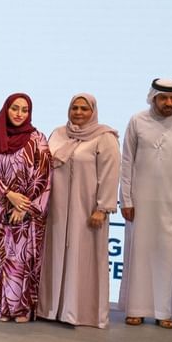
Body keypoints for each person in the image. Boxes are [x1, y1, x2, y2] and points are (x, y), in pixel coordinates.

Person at [117, 78, 172, 329]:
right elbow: (127, 161)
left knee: (167, 254)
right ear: (154, 97)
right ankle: (136, 309)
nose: (169, 103)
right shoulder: (137, 120)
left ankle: (164, 311)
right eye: (163, 98)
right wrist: (126, 199)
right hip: (140, 200)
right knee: (139, 252)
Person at [38, 94, 119, 328]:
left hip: (87, 211)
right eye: (75, 107)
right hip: (56, 209)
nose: (79, 112)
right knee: (54, 255)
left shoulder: (105, 137)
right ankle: (51, 309)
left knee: (83, 258)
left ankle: (80, 312)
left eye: (84, 108)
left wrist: (102, 208)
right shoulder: (58, 134)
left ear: (93, 111)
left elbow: (110, 174)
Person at [0, 93, 52, 323]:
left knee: (25, 261)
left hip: (28, 213)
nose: (19, 114)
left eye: (24, 110)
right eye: (14, 108)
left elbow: (44, 176)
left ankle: (22, 310)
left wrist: (24, 205)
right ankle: (2, 308)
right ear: (6, 109)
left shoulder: (38, 139)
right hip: (0, 209)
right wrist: (8, 194)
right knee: (1, 260)